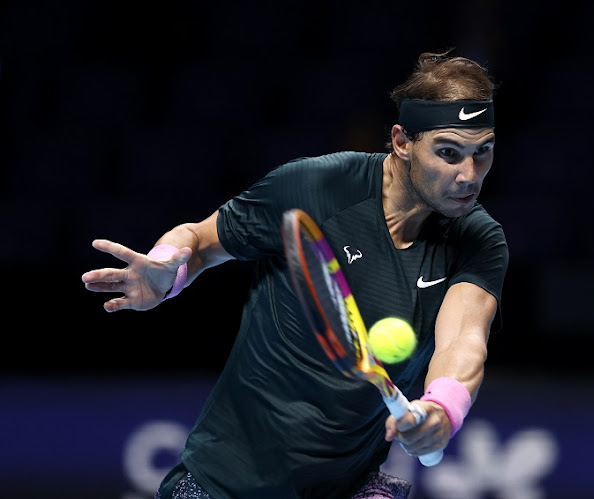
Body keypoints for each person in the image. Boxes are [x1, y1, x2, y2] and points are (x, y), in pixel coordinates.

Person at [82, 50, 509, 499]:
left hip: (345, 486)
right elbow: (201, 240)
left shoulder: (479, 239)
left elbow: (463, 340)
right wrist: (170, 268)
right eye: (448, 153)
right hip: (224, 483)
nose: (469, 175)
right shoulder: (315, 187)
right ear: (402, 141)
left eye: (483, 152)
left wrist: (443, 407)